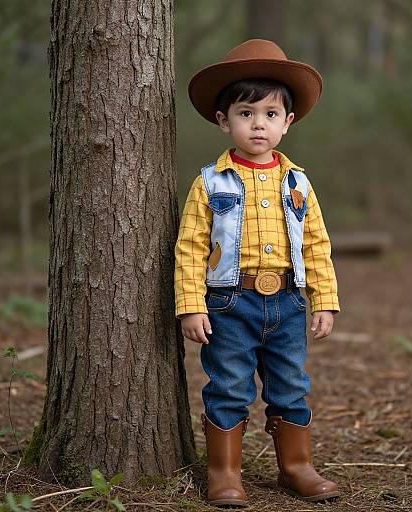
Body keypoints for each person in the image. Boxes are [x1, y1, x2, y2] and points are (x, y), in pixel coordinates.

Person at [175, 39, 340, 507]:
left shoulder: (298, 183)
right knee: (228, 385)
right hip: (229, 303)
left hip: (288, 302)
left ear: (287, 122)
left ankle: (297, 466)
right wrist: (190, 306)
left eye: (270, 114)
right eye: (246, 113)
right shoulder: (210, 182)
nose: (258, 124)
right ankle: (225, 473)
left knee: (291, 383)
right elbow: (189, 248)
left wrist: (323, 299)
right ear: (223, 120)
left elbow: (316, 244)